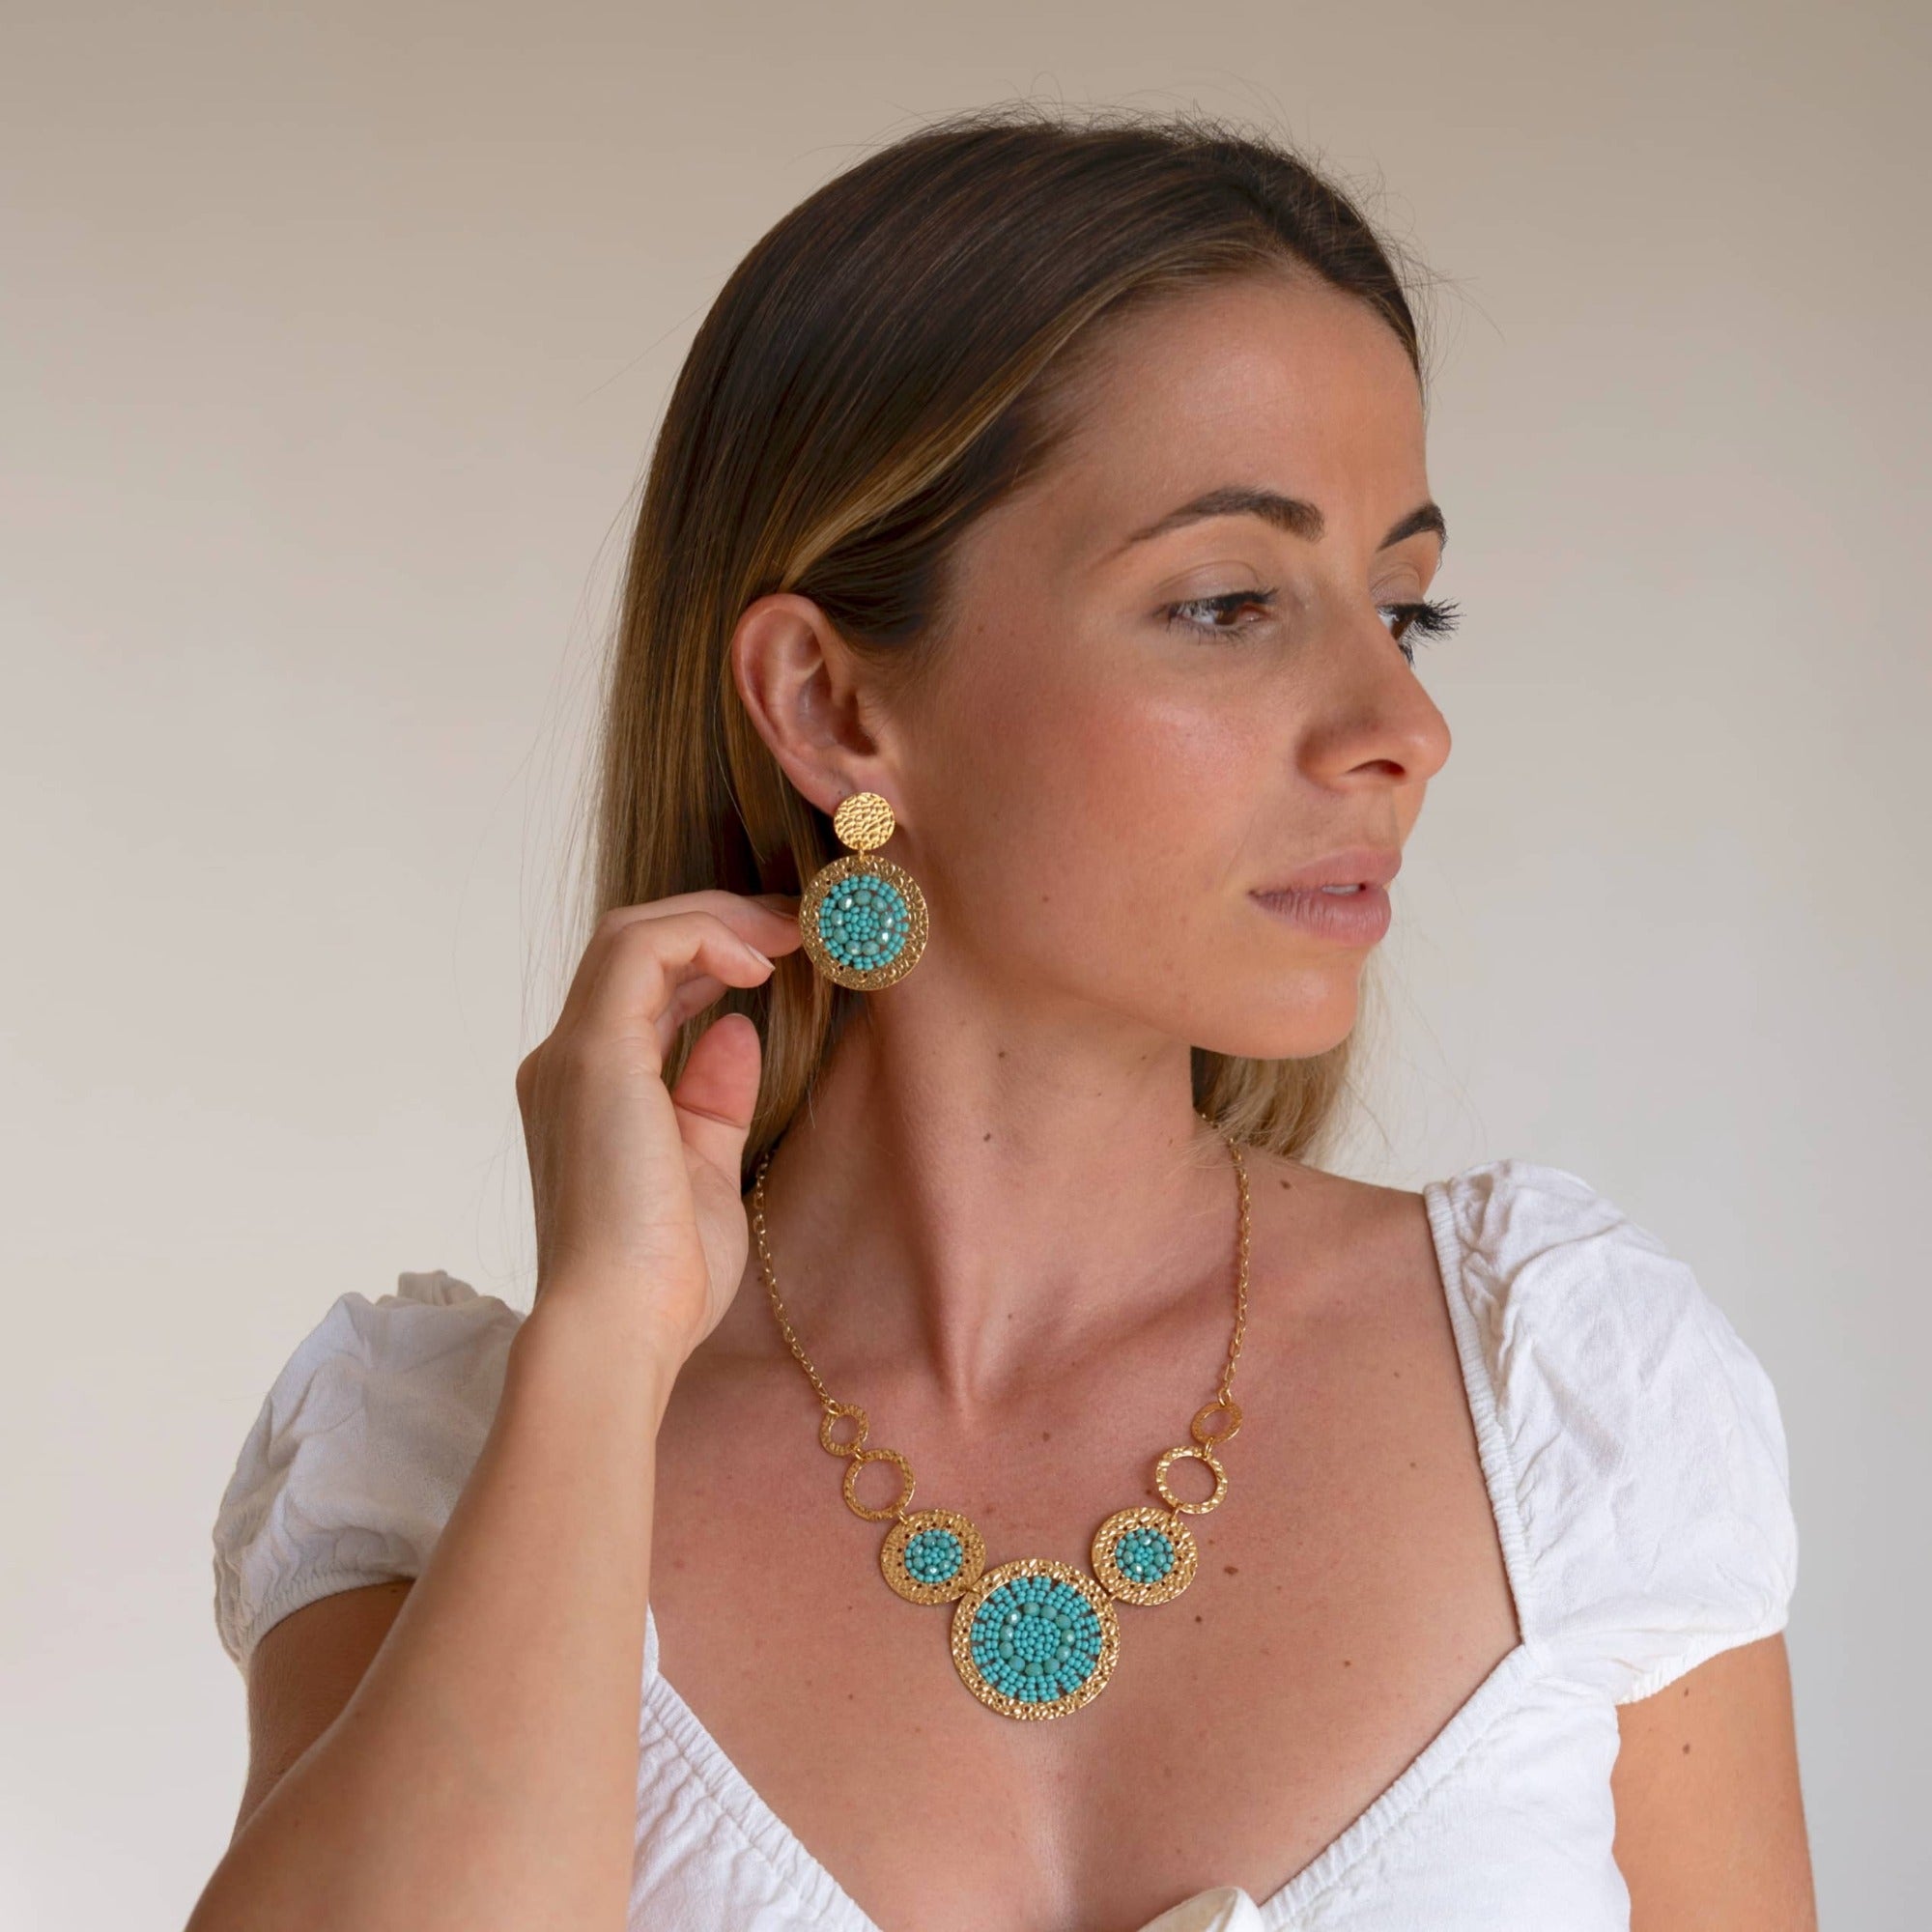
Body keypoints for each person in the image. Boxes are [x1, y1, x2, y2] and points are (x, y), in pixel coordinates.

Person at [186, 103, 1813, 1932]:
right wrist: (601, 1357)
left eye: (1404, 614)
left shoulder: (1571, 1406)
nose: (1401, 729)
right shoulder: (439, 1470)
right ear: (833, 708)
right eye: (1229, 604)